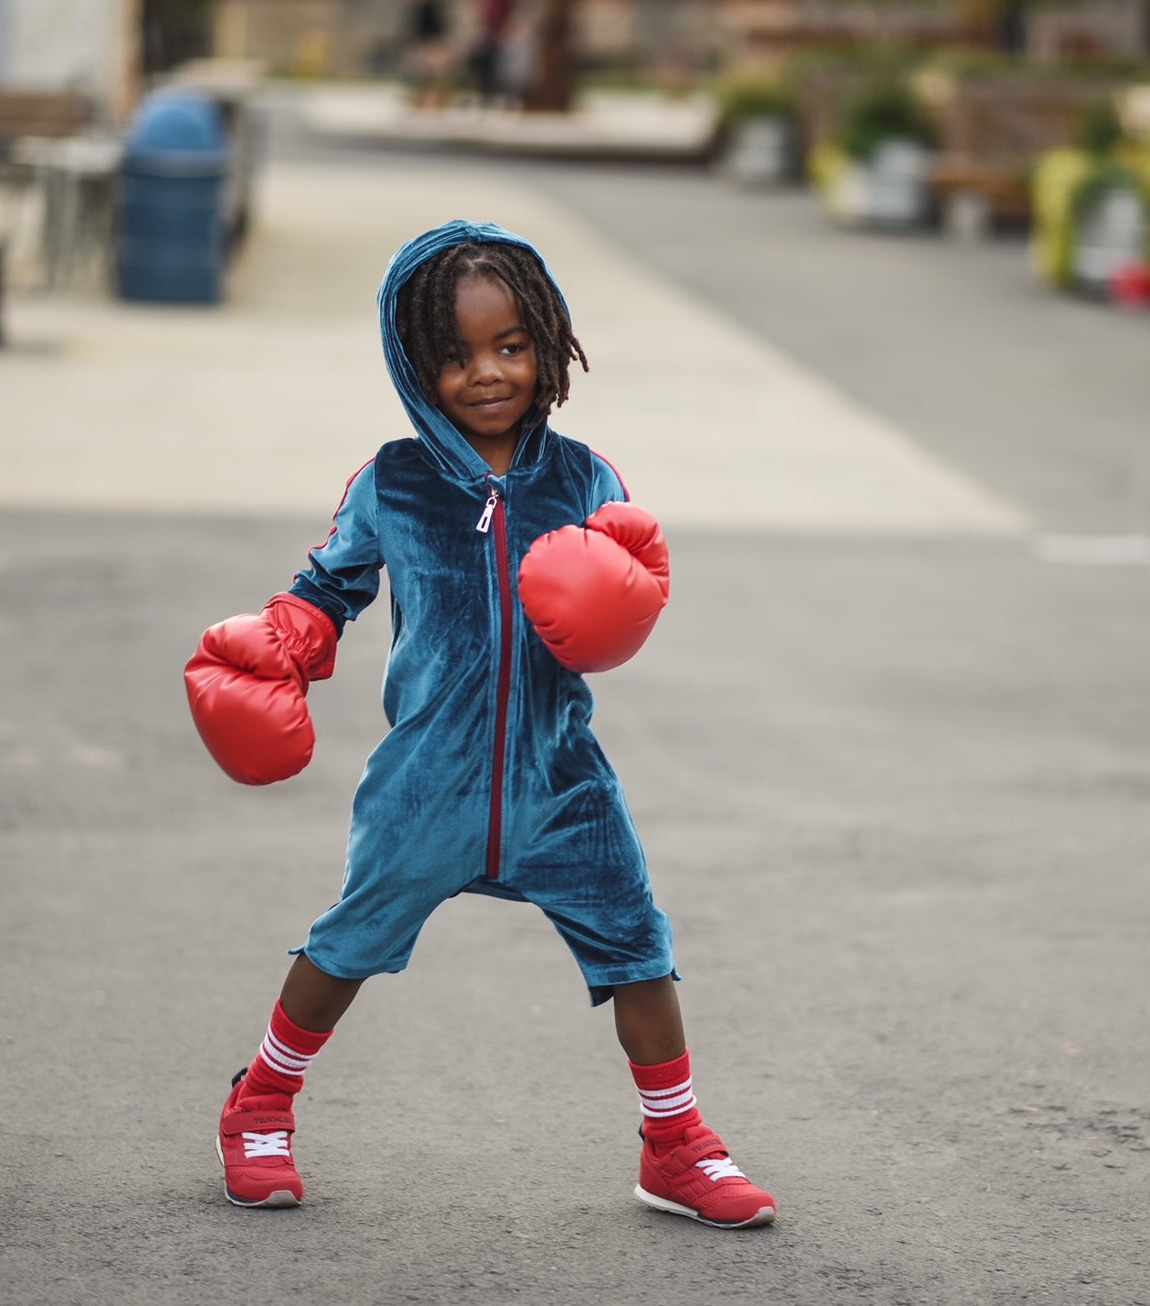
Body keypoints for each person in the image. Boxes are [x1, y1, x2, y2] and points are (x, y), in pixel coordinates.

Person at [184, 220, 777, 1230]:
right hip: (429, 778)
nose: (487, 373)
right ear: (414, 366)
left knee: (638, 946)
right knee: (345, 947)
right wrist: (278, 648)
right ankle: (260, 1105)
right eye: (454, 355)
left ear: (545, 340)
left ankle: (675, 1144)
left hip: (559, 776)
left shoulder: (584, 476)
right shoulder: (393, 481)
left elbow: (626, 593)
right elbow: (327, 588)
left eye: (509, 345)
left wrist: (621, 604)